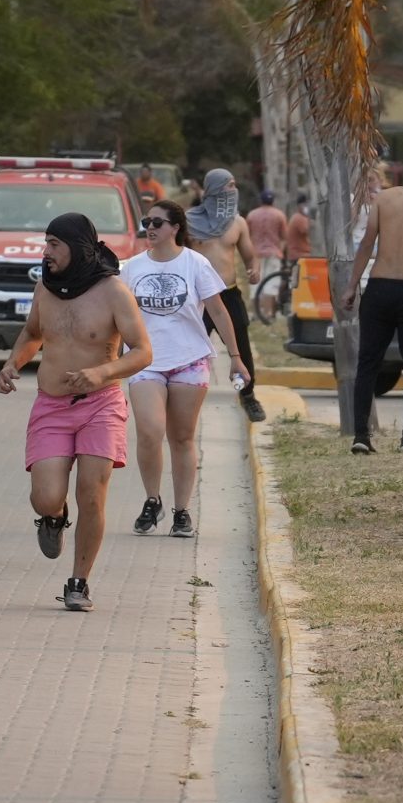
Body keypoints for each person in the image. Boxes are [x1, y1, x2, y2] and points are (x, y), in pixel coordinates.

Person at [0, 214, 152, 612]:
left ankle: (79, 582)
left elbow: (142, 352)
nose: (45, 253)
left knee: (92, 496)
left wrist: (102, 371)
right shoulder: (45, 289)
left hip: (101, 405)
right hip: (51, 405)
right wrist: (13, 363)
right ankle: (54, 516)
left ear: (77, 248)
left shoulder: (114, 292)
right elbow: (33, 334)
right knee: (46, 497)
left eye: (53, 245)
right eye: (45, 244)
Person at [121, 202, 250, 539]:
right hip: (145, 360)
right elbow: (115, 315)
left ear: (175, 227)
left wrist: (235, 356)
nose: (150, 227)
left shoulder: (195, 263)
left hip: (189, 359)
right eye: (147, 222)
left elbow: (219, 313)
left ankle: (182, 511)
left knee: (181, 437)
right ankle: (153, 499)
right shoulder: (132, 268)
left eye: (158, 222)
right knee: (149, 431)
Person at [342, 145, 403, 454]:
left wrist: (352, 286)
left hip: (379, 286)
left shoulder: (384, 198)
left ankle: (361, 436)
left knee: (368, 362)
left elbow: (366, 244)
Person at [188, 169, 266, 422]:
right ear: (213, 189)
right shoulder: (190, 221)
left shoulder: (238, 222)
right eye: (227, 185)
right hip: (198, 298)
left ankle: (247, 395)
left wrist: (254, 269)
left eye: (234, 185)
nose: (232, 190)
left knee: (240, 349)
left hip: (228, 295)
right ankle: (184, 395)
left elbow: (250, 255)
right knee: (191, 349)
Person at [247, 189, 289, 316]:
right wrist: (280, 250)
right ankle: (268, 312)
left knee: (255, 282)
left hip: (256, 253)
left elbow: (247, 235)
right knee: (271, 283)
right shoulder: (279, 215)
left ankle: (256, 313)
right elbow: (284, 237)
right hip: (273, 253)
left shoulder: (252, 215)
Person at [285, 194, 314, 263]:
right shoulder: (300, 218)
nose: (306, 207)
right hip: (300, 255)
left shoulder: (296, 217)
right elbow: (307, 231)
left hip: (296, 254)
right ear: (299, 206)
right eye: (304, 205)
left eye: (307, 204)